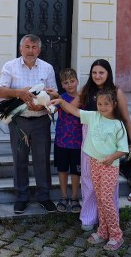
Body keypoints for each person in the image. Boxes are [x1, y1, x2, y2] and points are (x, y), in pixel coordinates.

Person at [51, 89, 128, 251]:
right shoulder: (93, 116)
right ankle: (103, 231)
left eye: (106, 104)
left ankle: (116, 235)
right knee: (99, 198)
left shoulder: (118, 124)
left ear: (114, 104)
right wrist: (61, 101)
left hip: (109, 167)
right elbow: (74, 111)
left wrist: (111, 157)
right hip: (94, 163)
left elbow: (123, 149)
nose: (103, 107)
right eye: (100, 104)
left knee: (107, 199)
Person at [71, 59, 131, 231]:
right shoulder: (86, 90)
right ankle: (88, 216)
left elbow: (126, 119)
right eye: (94, 72)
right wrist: (58, 99)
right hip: (90, 138)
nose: (97, 76)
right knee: (88, 178)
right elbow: (72, 108)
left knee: (109, 184)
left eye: (101, 72)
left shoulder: (116, 92)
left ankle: (109, 220)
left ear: (108, 73)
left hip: (109, 140)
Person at [0, 34, 58, 214]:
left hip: (41, 120)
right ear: (20, 49)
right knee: (20, 160)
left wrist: (44, 101)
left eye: (34, 47)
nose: (30, 51)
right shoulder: (10, 66)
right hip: (19, 121)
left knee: (42, 160)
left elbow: (54, 94)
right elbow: (1, 91)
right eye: (27, 47)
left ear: (39, 50)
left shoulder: (47, 68)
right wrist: (19, 93)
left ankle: (44, 197)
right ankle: (21, 197)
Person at [53, 68, 82, 213]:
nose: (70, 85)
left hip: (79, 142)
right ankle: (64, 196)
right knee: (62, 169)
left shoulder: (83, 98)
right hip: (61, 141)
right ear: (62, 85)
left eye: (72, 81)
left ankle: (75, 197)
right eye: (66, 82)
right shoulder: (60, 98)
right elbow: (50, 109)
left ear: (77, 81)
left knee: (76, 171)